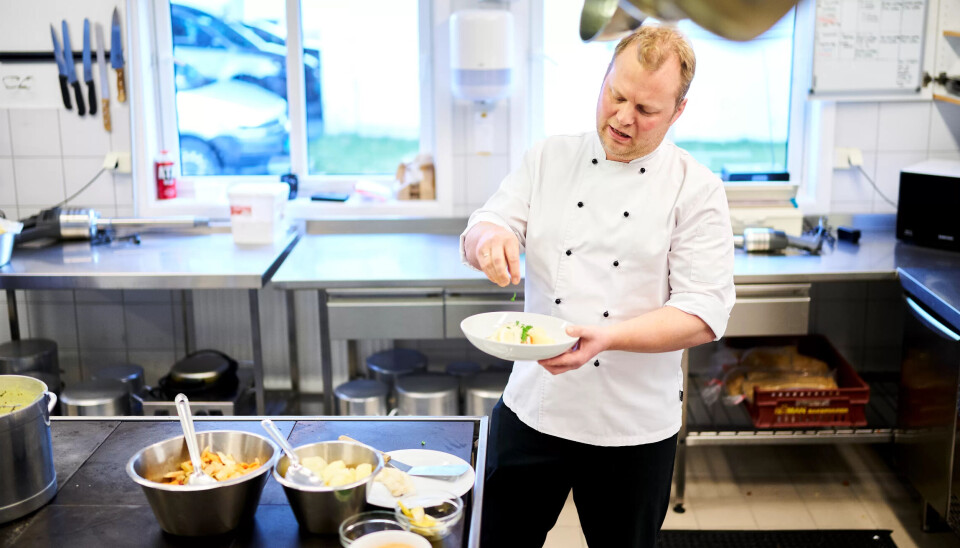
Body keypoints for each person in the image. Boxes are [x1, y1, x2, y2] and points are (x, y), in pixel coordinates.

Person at [459, 25, 736, 547]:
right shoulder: (549, 158)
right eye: (616, 95)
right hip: (535, 404)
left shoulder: (695, 189)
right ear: (604, 80)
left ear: (678, 112)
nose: (624, 117)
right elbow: (487, 222)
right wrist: (488, 241)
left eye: (647, 109)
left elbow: (703, 313)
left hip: (632, 426)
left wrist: (608, 337)